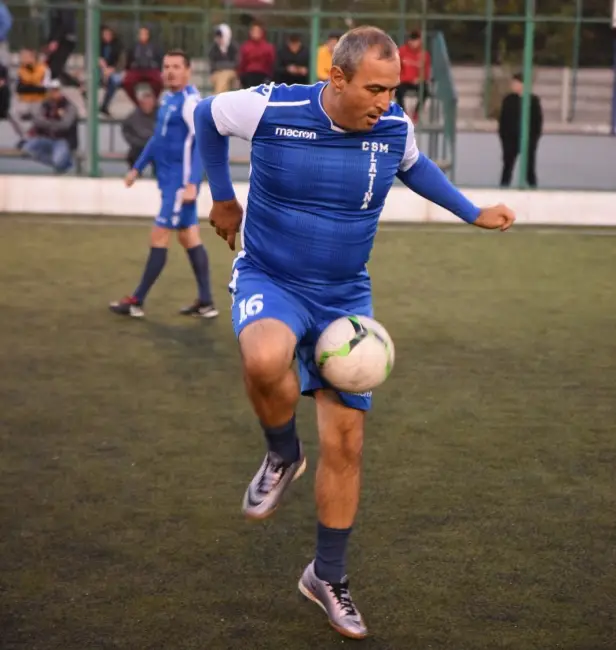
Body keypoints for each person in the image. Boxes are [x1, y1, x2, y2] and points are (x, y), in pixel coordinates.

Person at [194, 25, 515, 639]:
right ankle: (283, 454)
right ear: (335, 78)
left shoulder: (393, 129)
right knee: (265, 360)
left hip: (344, 296)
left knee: (345, 443)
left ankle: (327, 576)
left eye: (394, 90)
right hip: (272, 276)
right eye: (374, 88)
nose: (386, 103)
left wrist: (472, 211)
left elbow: (416, 169)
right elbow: (206, 117)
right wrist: (223, 197)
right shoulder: (272, 107)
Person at [109, 50, 218, 319]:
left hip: (180, 187)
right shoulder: (169, 98)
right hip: (169, 183)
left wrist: (193, 183)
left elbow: (202, 144)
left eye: (177, 67)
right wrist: (137, 167)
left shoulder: (191, 102)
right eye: (166, 66)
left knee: (159, 236)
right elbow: (157, 139)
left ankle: (136, 300)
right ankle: (206, 302)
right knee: (188, 236)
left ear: (188, 70)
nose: (170, 71)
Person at [498, 72, 543, 188]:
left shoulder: (533, 100)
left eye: (516, 83)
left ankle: (533, 189)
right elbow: (503, 120)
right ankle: (503, 188)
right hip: (510, 140)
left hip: (528, 140)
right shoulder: (508, 100)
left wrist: (533, 139)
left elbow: (537, 121)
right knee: (508, 166)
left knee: (529, 168)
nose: (513, 86)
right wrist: (504, 138)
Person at [22, 79, 77, 173]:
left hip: (62, 139)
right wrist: (53, 123)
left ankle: (63, 161)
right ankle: (66, 162)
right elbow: (37, 121)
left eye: (57, 90)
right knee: (27, 150)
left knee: (58, 162)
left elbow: (65, 125)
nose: (54, 92)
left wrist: (47, 123)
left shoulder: (69, 106)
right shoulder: (45, 104)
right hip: (46, 138)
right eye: (52, 90)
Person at [122, 26, 163, 106]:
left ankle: (152, 102)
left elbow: (159, 59)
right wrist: (127, 69)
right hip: (137, 70)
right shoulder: (134, 46)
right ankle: (138, 103)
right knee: (127, 82)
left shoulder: (154, 47)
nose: (143, 36)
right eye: (141, 34)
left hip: (151, 70)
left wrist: (160, 70)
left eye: (145, 34)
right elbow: (129, 59)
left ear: (148, 35)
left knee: (159, 82)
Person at [396, 30, 431, 122]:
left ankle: (416, 113)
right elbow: (397, 69)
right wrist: (406, 78)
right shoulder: (401, 52)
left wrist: (421, 79)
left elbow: (426, 71)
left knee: (425, 91)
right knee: (398, 90)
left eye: (416, 40)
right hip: (404, 81)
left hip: (418, 81)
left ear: (420, 41)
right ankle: (403, 113)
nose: (413, 43)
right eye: (411, 40)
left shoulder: (424, 54)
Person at [121, 89, 156, 170]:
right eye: (145, 103)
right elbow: (125, 130)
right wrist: (134, 141)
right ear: (141, 103)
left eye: (150, 103)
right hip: (139, 145)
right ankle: (134, 175)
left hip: (155, 145)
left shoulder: (160, 114)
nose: (148, 105)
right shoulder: (133, 116)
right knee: (133, 154)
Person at [237, 22, 275, 89]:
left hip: (263, 75)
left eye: (258, 31)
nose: (255, 33)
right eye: (253, 31)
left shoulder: (268, 47)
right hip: (248, 75)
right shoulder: (245, 47)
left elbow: (271, 63)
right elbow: (242, 63)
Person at [208, 23, 239, 95]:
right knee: (222, 78)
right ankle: (219, 97)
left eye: (220, 37)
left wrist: (221, 66)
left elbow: (236, 63)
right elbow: (213, 64)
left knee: (224, 76)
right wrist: (225, 66)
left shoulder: (233, 47)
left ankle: (216, 96)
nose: (218, 39)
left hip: (231, 74)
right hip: (216, 73)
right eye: (217, 37)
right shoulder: (214, 48)